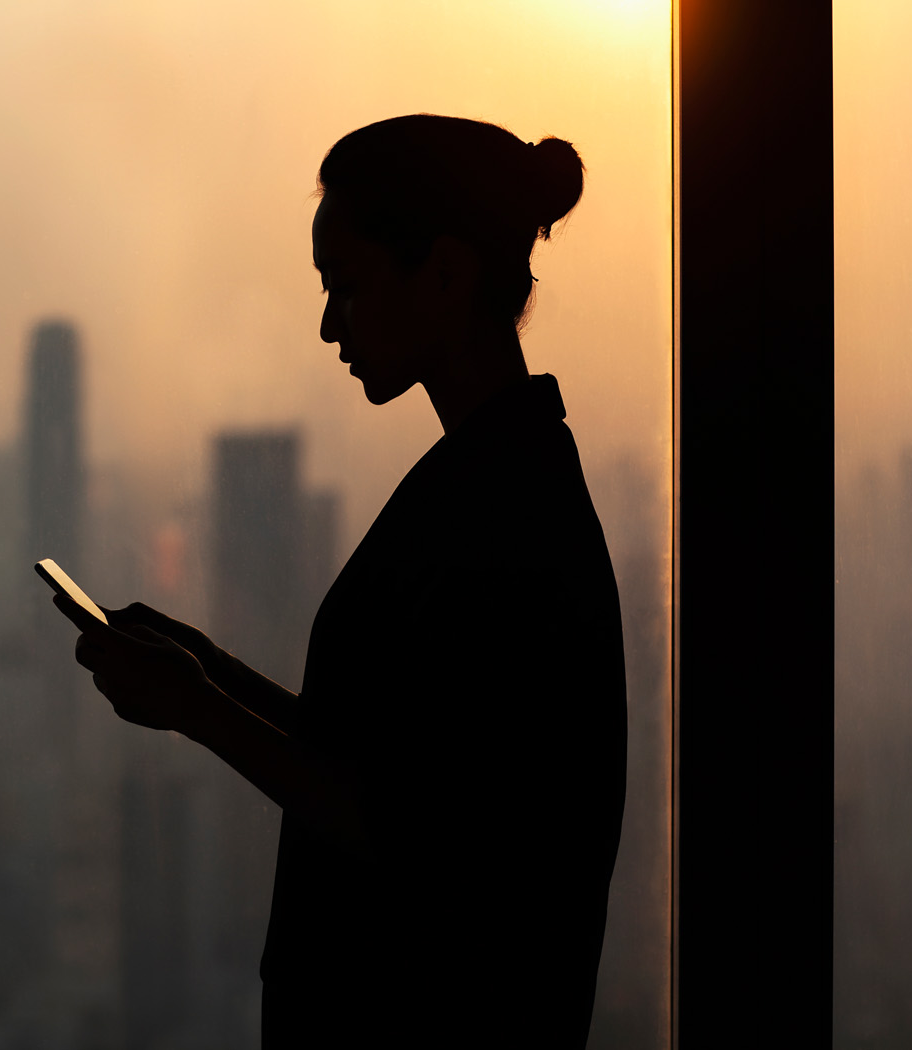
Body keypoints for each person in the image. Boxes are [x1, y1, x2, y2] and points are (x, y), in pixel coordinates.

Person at [59, 114, 627, 1048]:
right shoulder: (490, 483)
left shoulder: (501, 514)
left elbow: (416, 835)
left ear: (444, 275)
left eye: (348, 288)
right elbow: (396, 769)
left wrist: (198, 706)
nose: (329, 325)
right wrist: (206, 674)